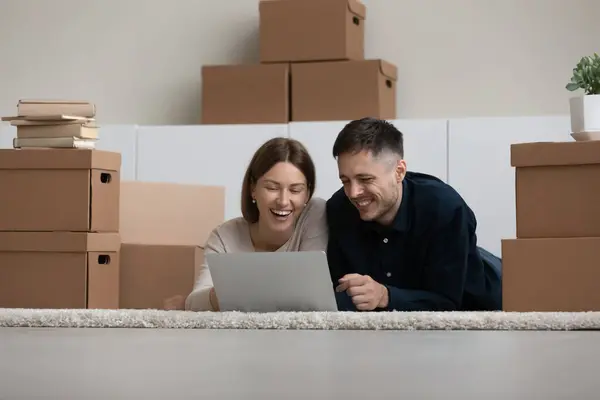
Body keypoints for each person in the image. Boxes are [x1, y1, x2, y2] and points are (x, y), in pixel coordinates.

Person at [326, 117, 502, 312]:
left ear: (399, 172)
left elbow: (449, 301)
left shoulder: (444, 208)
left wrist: (386, 295)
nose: (353, 192)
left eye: (365, 179)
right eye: (345, 181)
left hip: (477, 291)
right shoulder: (339, 209)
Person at [163, 137, 328, 311]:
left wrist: (234, 291)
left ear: (307, 194)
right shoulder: (225, 236)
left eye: (295, 190)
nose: (283, 201)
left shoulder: (315, 213)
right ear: (253, 189)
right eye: (272, 188)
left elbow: (311, 292)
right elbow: (194, 302)